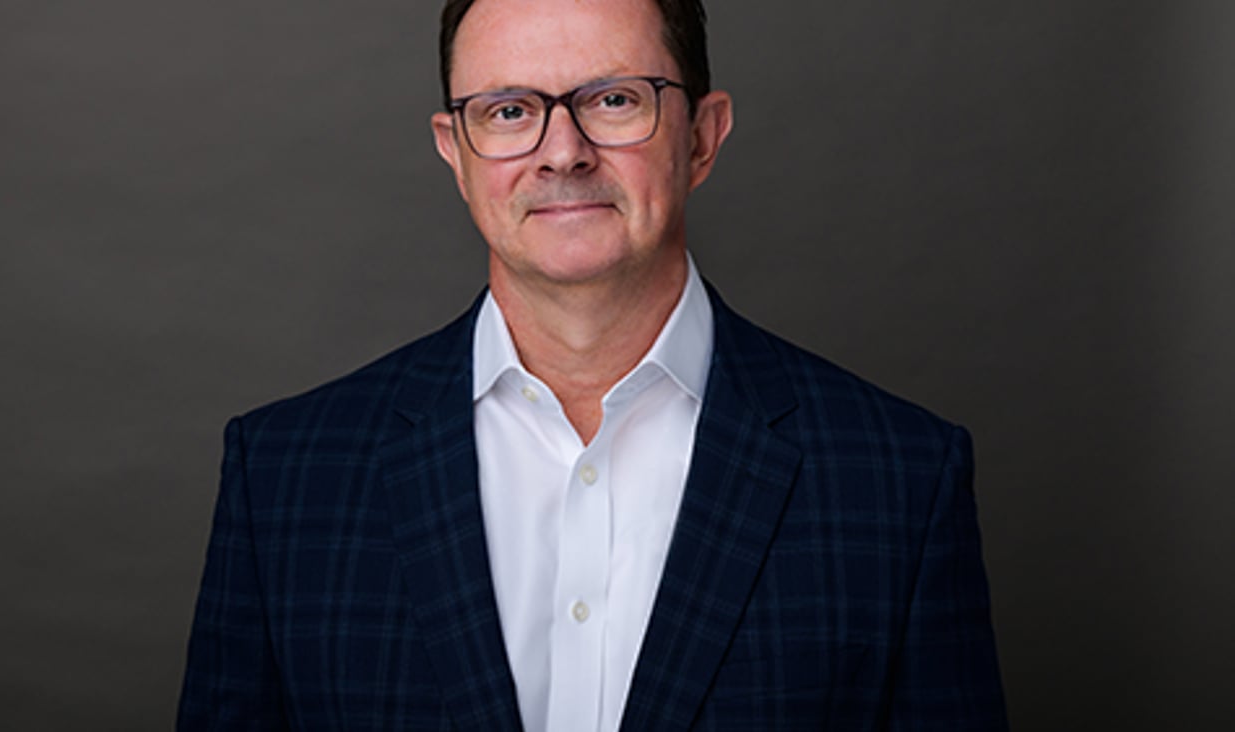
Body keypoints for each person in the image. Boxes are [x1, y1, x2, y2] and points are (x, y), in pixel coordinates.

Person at [177, 0, 1008, 729]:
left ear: (703, 136)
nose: (562, 152)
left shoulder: (900, 481)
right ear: (455, 151)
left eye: (614, 100)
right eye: (508, 111)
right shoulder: (285, 477)